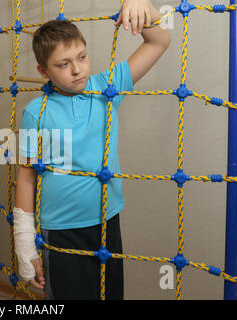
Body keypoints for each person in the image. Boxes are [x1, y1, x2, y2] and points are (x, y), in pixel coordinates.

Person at [13, 0, 170, 300]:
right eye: (63, 64)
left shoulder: (106, 88)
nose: (76, 70)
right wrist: (24, 245)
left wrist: (141, 6)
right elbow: (26, 176)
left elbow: (159, 40)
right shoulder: (36, 111)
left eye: (82, 57)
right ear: (43, 71)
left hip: (107, 223)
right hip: (61, 231)